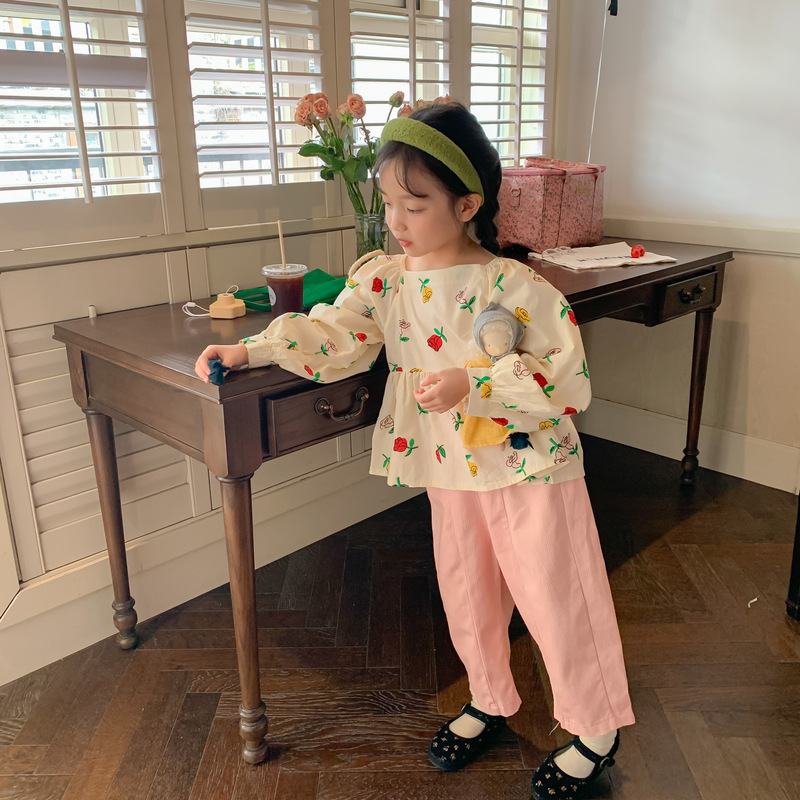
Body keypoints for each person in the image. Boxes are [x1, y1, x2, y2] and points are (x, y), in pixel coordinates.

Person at [195, 102, 634, 800]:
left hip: (530, 465)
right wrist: (252, 348)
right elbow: (335, 334)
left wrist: (473, 383)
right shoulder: (385, 279)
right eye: (389, 202)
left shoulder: (515, 285)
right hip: (447, 465)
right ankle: (489, 697)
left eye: (415, 204)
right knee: (467, 591)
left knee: (557, 595)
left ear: (467, 204)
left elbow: (566, 379)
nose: (396, 220)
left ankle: (596, 726)